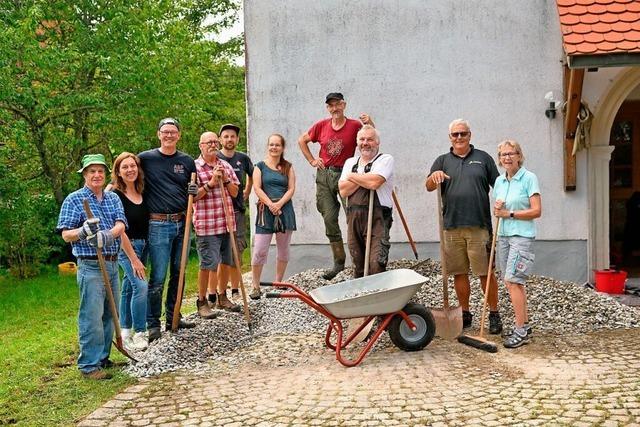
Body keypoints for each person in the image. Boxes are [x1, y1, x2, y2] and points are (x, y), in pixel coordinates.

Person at [425, 119, 503, 334]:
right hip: (451, 227)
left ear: (470, 135)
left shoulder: (483, 159)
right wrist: (434, 177)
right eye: (455, 134)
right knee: (459, 273)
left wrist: (502, 202)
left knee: (485, 273)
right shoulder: (442, 160)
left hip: (479, 226)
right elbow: (429, 186)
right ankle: (465, 312)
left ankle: (494, 313)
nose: (459, 138)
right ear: (449, 137)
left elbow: (499, 185)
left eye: (463, 134)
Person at [56, 154, 127, 380]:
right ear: (85, 174)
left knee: (110, 314)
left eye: (100, 171)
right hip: (91, 266)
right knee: (92, 316)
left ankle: (103, 358)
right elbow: (66, 234)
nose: (96, 175)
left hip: (112, 262)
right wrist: (83, 232)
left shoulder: (112, 198)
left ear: (105, 174)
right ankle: (89, 366)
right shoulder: (74, 200)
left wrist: (106, 235)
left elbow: (121, 224)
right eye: (91, 171)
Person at [298, 93, 374, 280]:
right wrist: (312, 160)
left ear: (344, 105)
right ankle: (339, 262)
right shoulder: (321, 126)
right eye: (330, 106)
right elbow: (302, 140)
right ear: (327, 108)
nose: (334, 109)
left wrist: (370, 122)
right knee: (329, 217)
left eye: (337, 105)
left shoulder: (355, 126)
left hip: (346, 175)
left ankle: (361, 261)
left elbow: (371, 138)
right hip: (324, 175)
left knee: (355, 215)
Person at [138, 118, 197, 342]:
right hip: (159, 224)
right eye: (165, 132)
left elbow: (195, 192)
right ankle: (153, 324)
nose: (169, 135)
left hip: (182, 222)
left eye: (173, 132)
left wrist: (196, 189)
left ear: (179, 135)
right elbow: (127, 173)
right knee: (159, 276)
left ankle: (174, 316)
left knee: (178, 273)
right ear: (158, 134)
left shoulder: (187, 161)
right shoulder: (146, 158)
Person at [493, 140, 541, 348]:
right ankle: (525, 324)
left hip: (521, 237)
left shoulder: (529, 178)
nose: (507, 158)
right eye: (503, 155)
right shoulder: (499, 181)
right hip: (503, 236)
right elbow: (498, 212)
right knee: (509, 281)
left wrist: (509, 213)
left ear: (519, 156)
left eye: (511, 153)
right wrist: (497, 209)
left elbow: (536, 211)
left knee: (514, 281)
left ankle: (521, 330)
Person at [193, 131, 241, 315]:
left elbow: (235, 193)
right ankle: (202, 301)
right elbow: (193, 197)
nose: (212, 145)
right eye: (208, 142)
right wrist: (212, 183)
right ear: (201, 146)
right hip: (207, 225)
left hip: (226, 223)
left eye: (214, 141)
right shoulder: (195, 168)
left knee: (227, 262)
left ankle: (222, 296)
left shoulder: (225, 165)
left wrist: (226, 179)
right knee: (208, 264)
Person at [338, 125, 393, 277]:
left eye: (370, 139)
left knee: (376, 264)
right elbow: (343, 190)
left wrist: (352, 176)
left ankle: (380, 297)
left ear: (377, 143)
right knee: (358, 264)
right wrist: (365, 178)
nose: (365, 143)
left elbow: (374, 183)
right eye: (362, 139)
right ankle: (363, 297)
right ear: (357, 142)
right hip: (354, 218)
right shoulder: (350, 162)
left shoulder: (385, 159)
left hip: (378, 219)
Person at [110, 152, 149, 351]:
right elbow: (120, 229)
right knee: (141, 286)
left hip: (144, 244)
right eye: (124, 167)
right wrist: (134, 259)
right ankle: (140, 331)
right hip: (125, 246)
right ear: (118, 171)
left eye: (132, 166)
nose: (130, 170)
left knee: (128, 287)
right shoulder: (114, 195)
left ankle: (124, 330)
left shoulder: (142, 190)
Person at [250, 134, 297, 298]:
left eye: (277, 145)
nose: (274, 147)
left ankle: (278, 282)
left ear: (282, 148)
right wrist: (271, 204)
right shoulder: (259, 166)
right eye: (271, 144)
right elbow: (257, 188)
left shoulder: (288, 167)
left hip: (284, 211)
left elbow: (291, 189)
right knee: (259, 251)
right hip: (266, 212)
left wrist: (279, 205)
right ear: (267, 146)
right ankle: (255, 286)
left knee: (283, 250)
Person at [216, 123, 253, 304]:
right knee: (219, 253)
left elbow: (253, 174)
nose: (229, 139)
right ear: (220, 139)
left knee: (237, 250)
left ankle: (236, 289)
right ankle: (215, 292)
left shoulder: (243, 158)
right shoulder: (214, 158)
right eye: (226, 136)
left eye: (233, 136)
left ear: (237, 139)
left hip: (237, 210)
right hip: (218, 211)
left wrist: (248, 191)